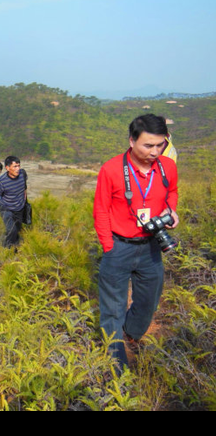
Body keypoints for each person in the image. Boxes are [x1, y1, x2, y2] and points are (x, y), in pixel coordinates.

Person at [93, 114, 179, 372]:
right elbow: (101, 210)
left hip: (151, 247)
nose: (155, 151)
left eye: (160, 145)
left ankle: (131, 333)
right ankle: (116, 365)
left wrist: (170, 212)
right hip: (119, 246)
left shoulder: (167, 167)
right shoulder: (111, 170)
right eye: (148, 145)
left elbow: (172, 192)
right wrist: (109, 246)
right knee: (112, 309)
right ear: (131, 141)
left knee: (149, 301)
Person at [0, 156, 28, 248]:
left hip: (19, 208)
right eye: (15, 166)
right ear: (7, 168)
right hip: (6, 209)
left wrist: (25, 202)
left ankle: (15, 249)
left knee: (18, 230)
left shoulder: (22, 174)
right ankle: (5, 249)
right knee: (11, 230)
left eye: (18, 166)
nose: (17, 169)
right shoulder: (2, 181)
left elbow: (24, 188)